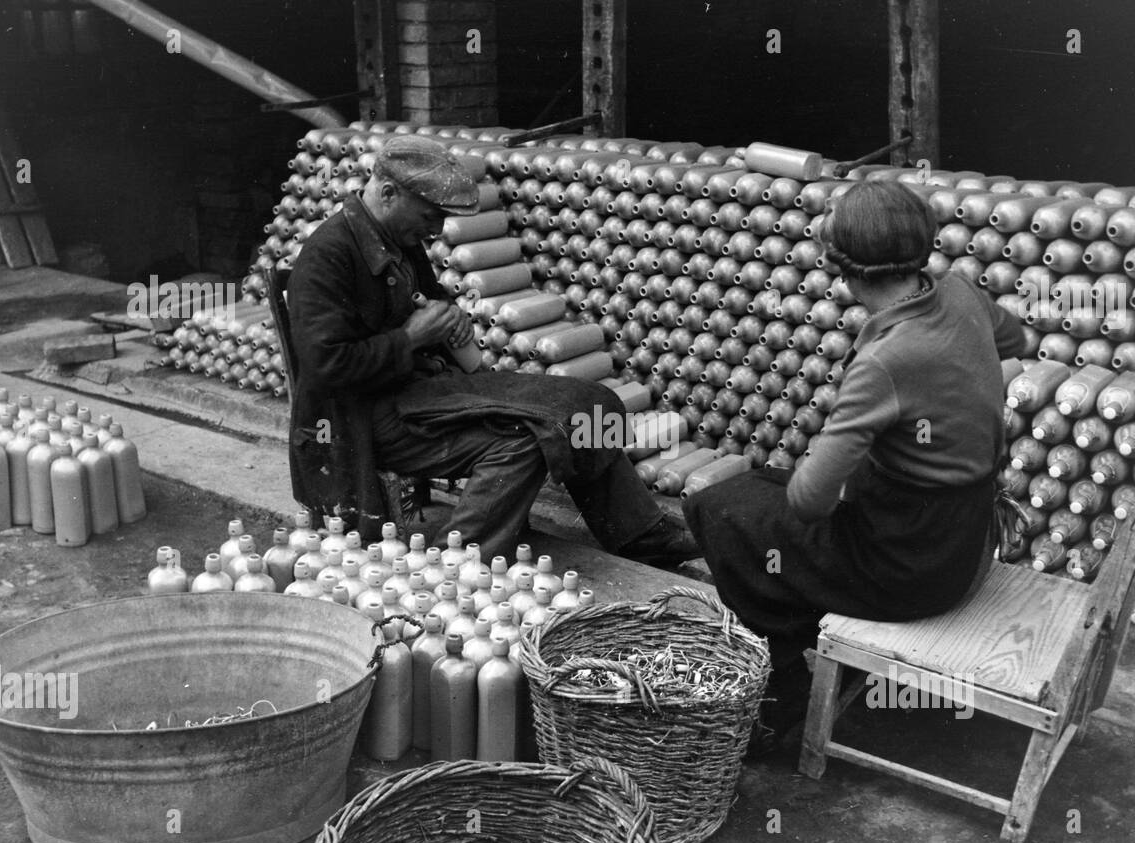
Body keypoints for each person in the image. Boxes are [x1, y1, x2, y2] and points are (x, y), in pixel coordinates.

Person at [682, 180, 1027, 731]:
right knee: (761, 487)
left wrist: (843, 440)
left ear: (846, 270)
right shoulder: (961, 292)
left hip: (913, 568)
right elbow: (1014, 340)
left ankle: (782, 688)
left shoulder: (885, 361)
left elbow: (811, 501)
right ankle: (797, 628)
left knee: (721, 509)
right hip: (969, 537)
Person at [286, 134, 700, 565]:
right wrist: (411, 338)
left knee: (580, 408)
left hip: (421, 393)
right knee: (526, 441)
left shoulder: (397, 240)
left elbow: (430, 303)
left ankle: (640, 534)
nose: (435, 229)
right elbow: (326, 365)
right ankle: (456, 566)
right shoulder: (327, 256)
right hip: (360, 419)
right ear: (389, 193)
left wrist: (446, 323)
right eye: (429, 215)